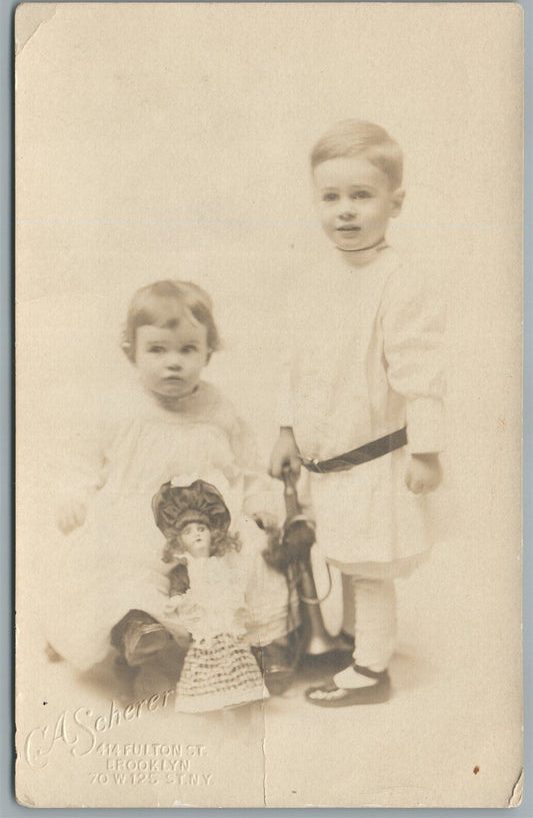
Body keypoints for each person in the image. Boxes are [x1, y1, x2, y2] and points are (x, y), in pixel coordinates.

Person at [269, 119, 446, 706]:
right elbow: (297, 364)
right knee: (343, 551)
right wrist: (287, 430)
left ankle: (370, 669)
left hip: (375, 458)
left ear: (395, 202)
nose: (345, 211)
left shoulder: (400, 281)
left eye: (361, 196)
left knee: (368, 564)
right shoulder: (313, 278)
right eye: (331, 197)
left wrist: (427, 449)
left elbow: (421, 371)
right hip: (328, 461)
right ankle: (349, 641)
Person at [47, 279, 295, 694]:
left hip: (208, 526)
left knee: (248, 558)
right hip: (135, 522)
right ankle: (139, 636)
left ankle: (259, 645)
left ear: (208, 351)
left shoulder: (219, 409)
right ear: (133, 351)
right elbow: (81, 460)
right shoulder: (119, 408)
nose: (173, 363)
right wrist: (73, 495)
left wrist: (258, 503)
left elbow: (248, 466)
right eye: (157, 350)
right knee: (126, 568)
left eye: (187, 350)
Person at [152, 477, 268, 713]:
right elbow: (178, 587)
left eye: (202, 529)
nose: (197, 535)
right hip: (206, 624)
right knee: (205, 662)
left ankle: (239, 697)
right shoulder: (186, 568)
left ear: (213, 535)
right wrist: (176, 599)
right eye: (188, 531)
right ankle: (209, 704)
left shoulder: (221, 563)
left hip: (225, 619)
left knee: (235, 656)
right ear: (179, 541)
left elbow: (233, 584)